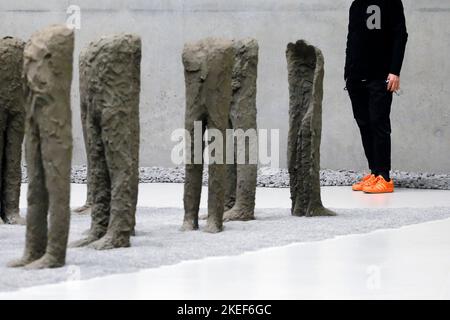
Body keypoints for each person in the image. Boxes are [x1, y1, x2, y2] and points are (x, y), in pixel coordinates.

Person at [345, 0, 408, 194]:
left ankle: (384, 177)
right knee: (364, 123)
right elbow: (351, 39)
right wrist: (347, 73)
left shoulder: (392, 2)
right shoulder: (356, 5)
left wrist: (394, 71)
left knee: (378, 122)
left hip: (380, 76)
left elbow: (400, 35)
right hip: (356, 77)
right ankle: (374, 173)